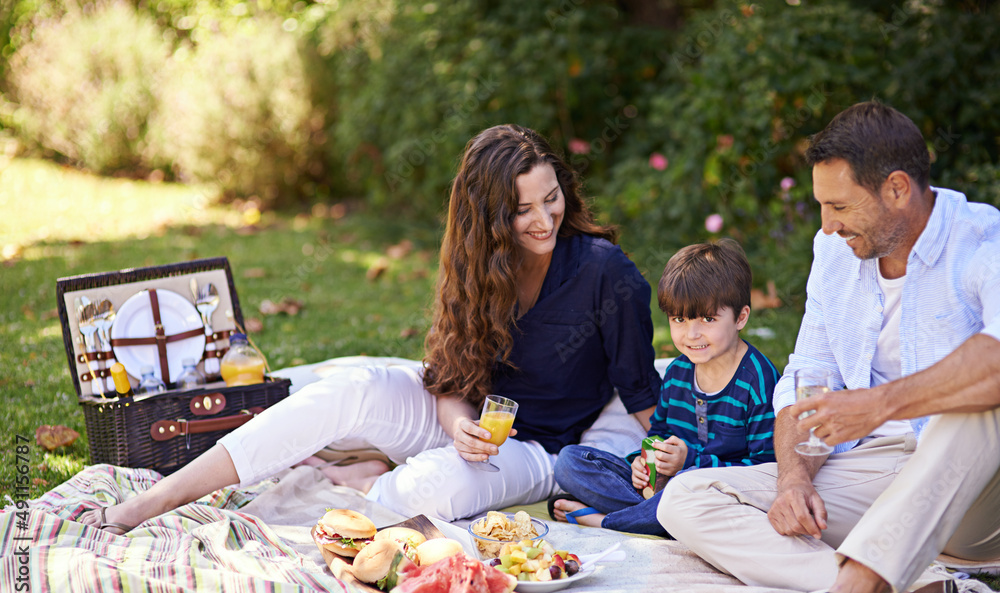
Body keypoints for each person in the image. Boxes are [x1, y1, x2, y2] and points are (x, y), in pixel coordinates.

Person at [82, 124, 662, 532]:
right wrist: (460, 427)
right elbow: (453, 378)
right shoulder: (478, 265)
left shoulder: (605, 275)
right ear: (487, 219)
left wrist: (681, 459)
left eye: (551, 199)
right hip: (468, 421)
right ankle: (159, 498)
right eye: (521, 210)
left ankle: (366, 482)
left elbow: (642, 395)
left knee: (434, 487)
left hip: (537, 447)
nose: (543, 220)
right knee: (345, 390)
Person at [658, 100, 1000, 593]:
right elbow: (806, 378)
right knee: (687, 498)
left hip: (975, 498)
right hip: (879, 469)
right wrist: (794, 478)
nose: (827, 224)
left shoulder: (982, 241)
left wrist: (880, 405)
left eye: (839, 205)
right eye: (821, 206)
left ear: (896, 189)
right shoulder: (835, 253)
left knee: (981, 398)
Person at [550, 239, 779, 535]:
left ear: (741, 317)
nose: (692, 334)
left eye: (708, 319)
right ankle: (651, 517)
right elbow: (658, 434)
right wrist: (643, 464)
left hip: (717, 496)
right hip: (667, 490)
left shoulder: (758, 381)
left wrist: (691, 462)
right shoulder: (678, 372)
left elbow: (764, 472)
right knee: (570, 462)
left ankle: (604, 520)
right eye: (679, 319)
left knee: (688, 503)